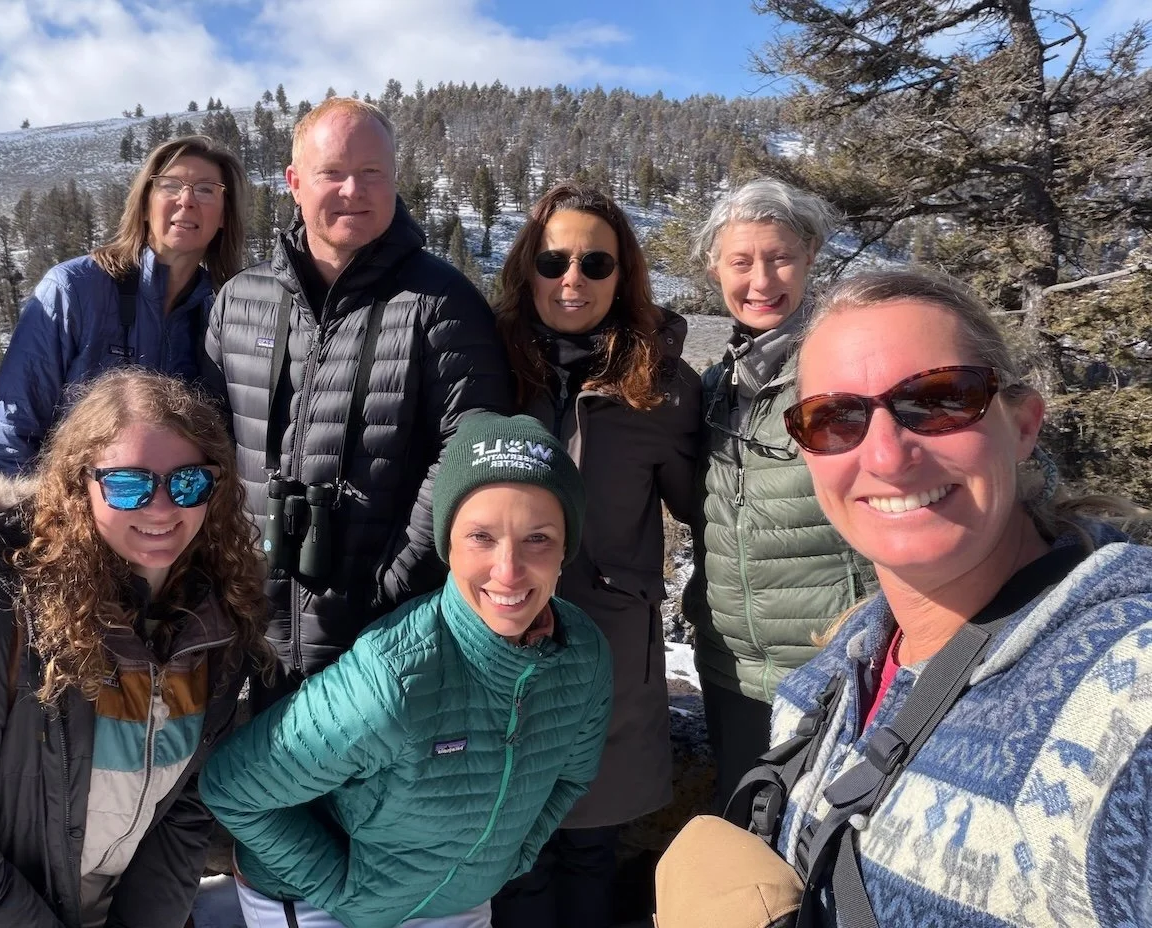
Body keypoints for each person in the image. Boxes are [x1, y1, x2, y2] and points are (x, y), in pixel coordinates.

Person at [765, 268, 1152, 925]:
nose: (886, 458)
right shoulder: (823, 686)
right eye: (834, 419)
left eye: (938, 400)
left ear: (1023, 425)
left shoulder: (1127, 695)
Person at [0, 369, 268, 928]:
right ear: (77, 484)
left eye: (189, 482)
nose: (162, 508)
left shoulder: (210, 623)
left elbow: (181, 808)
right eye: (127, 484)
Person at [203, 413, 613, 928]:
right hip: (317, 901)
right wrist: (343, 889)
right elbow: (232, 788)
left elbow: (570, 777)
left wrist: (510, 859)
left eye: (538, 538)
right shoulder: (394, 678)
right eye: (481, 536)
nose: (508, 570)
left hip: (456, 901)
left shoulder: (583, 657)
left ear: (565, 549)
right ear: (447, 545)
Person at [202, 97, 510, 708]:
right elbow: (206, 444)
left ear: (395, 179)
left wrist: (393, 585)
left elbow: (470, 454)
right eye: (333, 173)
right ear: (294, 182)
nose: (354, 191)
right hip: (250, 635)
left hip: (385, 645)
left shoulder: (442, 303)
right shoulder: (239, 301)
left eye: (373, 173)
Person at [485, 181, 701, 928]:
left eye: (595, 263)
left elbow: (706, 504)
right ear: (527, 268)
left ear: (622, 274)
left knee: (587, 846)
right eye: (553, 261)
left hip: (608, 643)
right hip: (496, 637)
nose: (571, 279)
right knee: (510, 852)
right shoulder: (486, 363)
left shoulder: (660, 385)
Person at [680, 178, 873, 808]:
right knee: (745, 837)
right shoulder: (716, 386)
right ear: (715, 269)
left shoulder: (846, 371)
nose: (761, 280)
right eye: (741, 262)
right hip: (730, 669)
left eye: (780, 257)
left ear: (811, 255)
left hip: (835, 669)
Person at [0, 135, 249, 473]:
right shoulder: (74, 289)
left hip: (173, 504)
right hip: (69, 501)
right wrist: (32, 506)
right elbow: (12, 425)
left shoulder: (223, 312)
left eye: (205, 190)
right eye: (170, 185)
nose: (186, 200)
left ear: (225, 215)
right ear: (145, 203)